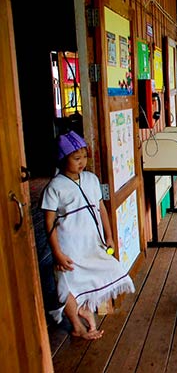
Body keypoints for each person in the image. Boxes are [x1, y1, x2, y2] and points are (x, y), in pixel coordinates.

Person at [41, 131, 135, 340]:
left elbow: (101, 208)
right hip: (69, 246)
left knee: (106, 270)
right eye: (76, 158)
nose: (81, 162)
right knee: (67, 285)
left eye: (84, 156)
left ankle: (84, 310)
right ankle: (78, 327)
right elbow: (49, 222)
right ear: (63, 159)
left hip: (92, 242)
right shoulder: (55, 187)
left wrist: (109, 236)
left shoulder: (91, 179)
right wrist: (56, 252)